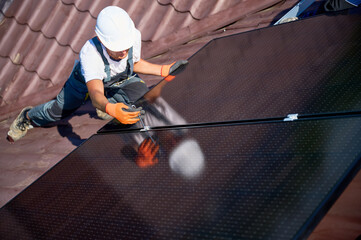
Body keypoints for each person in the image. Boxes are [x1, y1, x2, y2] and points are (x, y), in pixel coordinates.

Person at [7, 6, 188, 143]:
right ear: (102, 40)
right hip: (83, 84)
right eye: (118, 48)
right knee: (57, 112)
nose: (124, 51)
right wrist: (109, 108)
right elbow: (95, 94)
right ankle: (28, 117)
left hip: (119, 79)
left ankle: (111, 105)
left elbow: (134, 62)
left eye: (125, 46)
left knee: (141, 93)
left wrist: (163, 70)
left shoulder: (132, 36)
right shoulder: (90, 54)